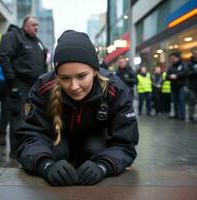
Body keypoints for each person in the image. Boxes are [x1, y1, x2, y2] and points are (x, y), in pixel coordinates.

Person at [15, 30, 139, 186]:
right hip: (57, 150)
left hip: (96, 152)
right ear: (56, 74)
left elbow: (126, 144)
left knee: (94, 147)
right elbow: (27, 136)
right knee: (58, 150)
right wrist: (44, 165)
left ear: (95, 70)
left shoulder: (116, 90)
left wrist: (104, 166)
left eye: (81, 76)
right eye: (65, 78)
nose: (74, 87)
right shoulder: (42, 88)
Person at [0, 16, 47, 157]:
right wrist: (11, 79)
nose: (36, 27)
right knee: (18, 116)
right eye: (33, 25)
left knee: (28, 115)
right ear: (24, 26)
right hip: (19, 85)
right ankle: (15, 150)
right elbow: (3, 56)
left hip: (33, 86)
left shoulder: (37, 41)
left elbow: (43, 61)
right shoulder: (14, 36)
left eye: (37, 25)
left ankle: (26, 146)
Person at [167, 52, 188, 120]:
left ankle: (182, 115)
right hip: (173, 87)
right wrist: (170, 76)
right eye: (171, 58)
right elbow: (167, 76)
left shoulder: (183, 64)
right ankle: (176, 114)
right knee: (174, 101)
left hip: (181, 86)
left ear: (177, 58)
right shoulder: (171, 66)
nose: (171, 59)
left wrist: (176, 75)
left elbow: (185, 72)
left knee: (181, 100)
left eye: (173, 58)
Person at [187, 47, 197, 122]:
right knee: (192, 101)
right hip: (192, 86)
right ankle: (191, 116)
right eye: (194, 53)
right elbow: (187, 73)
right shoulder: (189, 63)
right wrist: (194, 72)